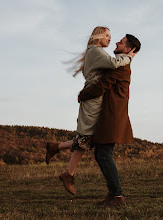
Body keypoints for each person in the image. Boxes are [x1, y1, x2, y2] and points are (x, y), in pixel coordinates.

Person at [45, 26, 136, 195]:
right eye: (107, 35)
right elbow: (111, 64)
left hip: (95, 98)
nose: (111, 39)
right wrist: (128, 58)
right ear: (98, 36)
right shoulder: (96, 51)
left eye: (114, 37)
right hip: (93, 98)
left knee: (89, 137)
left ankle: (57, 149)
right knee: (86, 136)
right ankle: (68, 173)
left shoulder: (96, 51)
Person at [78, 34, 141, 207]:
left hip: (113, 117)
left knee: (104, 154)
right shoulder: (122, 62)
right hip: (112, 115)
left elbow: (102, 86)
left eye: (121, 42)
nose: (116, 42)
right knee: (102, 154)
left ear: (128, 49)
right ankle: (114, 194)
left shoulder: (120, 66)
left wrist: (83, 95)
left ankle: (117, 197)